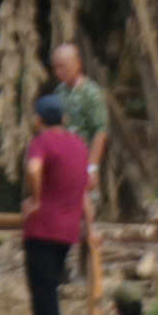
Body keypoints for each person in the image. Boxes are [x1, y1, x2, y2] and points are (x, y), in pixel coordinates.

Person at [20, 94, 90, 315]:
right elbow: (85, 187)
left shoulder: (41, 143)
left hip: (42, 228)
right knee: (51, 292)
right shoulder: (79, 145)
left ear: (38, 120)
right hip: (68, 231)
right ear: (64, 118)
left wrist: (35, 199)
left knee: (43, 295)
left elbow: (34, 168)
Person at [51, 43, 108, 206]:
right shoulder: (59, 91)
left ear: (77, 64)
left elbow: (100, 131)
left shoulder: (92, 93)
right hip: (62, 162)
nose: (59, 72)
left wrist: (92, 167)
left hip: (83, 160)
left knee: (84, 206)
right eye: (56, 67)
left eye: (63, 67)